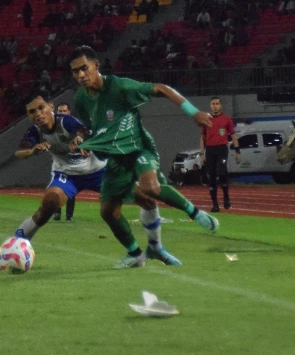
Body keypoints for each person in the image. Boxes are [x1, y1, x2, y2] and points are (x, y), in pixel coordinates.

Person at [0, 90, 181, 270]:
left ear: (50, 107)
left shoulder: (66, 122)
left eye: (41, 107)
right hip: (67, 175)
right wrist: (33, 150)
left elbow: (84, 133)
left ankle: (155, 248)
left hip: (99, 172)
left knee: (145, 200)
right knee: (48, 205)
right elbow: (20, 152)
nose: (38, 114)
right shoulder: (35, 132)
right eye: (32, 111)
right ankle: (6, 257)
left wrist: (82, 142)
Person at [69, 45, 218, 268]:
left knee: (151, 188)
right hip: (116, 157)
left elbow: (162, 88)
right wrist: (83, 139)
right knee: (108, 211)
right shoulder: (81, 99)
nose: (80, 75)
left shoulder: (119, 86)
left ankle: (195, 213)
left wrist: (193, 112)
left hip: (138, 147)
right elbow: (91, 128)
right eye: (75, 71)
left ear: (96, 65)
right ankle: (137, 254)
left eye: (84, 68)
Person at [200, 97, 240, 212]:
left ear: (220, 106)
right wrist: (202, 154)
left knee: (222, 172)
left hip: (222, 149)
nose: (215, 106)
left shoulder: (226, 119)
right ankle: (215, 204)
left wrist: (238, 151)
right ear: (210, 106)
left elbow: (233, 135)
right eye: (213, 104)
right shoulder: (205, 119)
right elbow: (202, 137)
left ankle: (226, 196)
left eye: (217, 104)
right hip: (210, 150)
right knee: (211, 177)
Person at [53, 102, 77, 221]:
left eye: (64, 111)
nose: (61, 114)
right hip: (58, 161)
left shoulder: (73, 125)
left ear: (69, 112)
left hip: (72, 159)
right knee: (57, 186)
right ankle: (57, 212)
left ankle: (69, 215)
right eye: (59, 111)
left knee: (71, 186)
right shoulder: (53, 125)